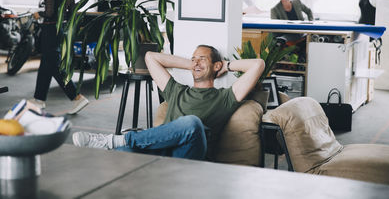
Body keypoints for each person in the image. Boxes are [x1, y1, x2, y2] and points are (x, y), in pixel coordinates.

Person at [72, 45, 265, 160]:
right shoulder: (176, 90)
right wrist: (192, 64)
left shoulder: (225, 98)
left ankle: (117, 139)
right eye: (193, 59)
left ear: (216, 65)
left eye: (202, 59)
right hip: (161, 154)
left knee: (192, 123)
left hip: (190, 156)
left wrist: (226, 66)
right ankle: (121, 143)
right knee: (123, 153)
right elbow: (151, 57)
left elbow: (258, 65)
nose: (196, 62)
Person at [30, 0, 89, 114]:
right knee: (46, 65)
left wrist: (38, 14)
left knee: (54, 67)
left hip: (49, 31)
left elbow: (49, 13)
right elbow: (71, 13)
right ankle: (39, 99)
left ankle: (77, 97)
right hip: (60, 31)